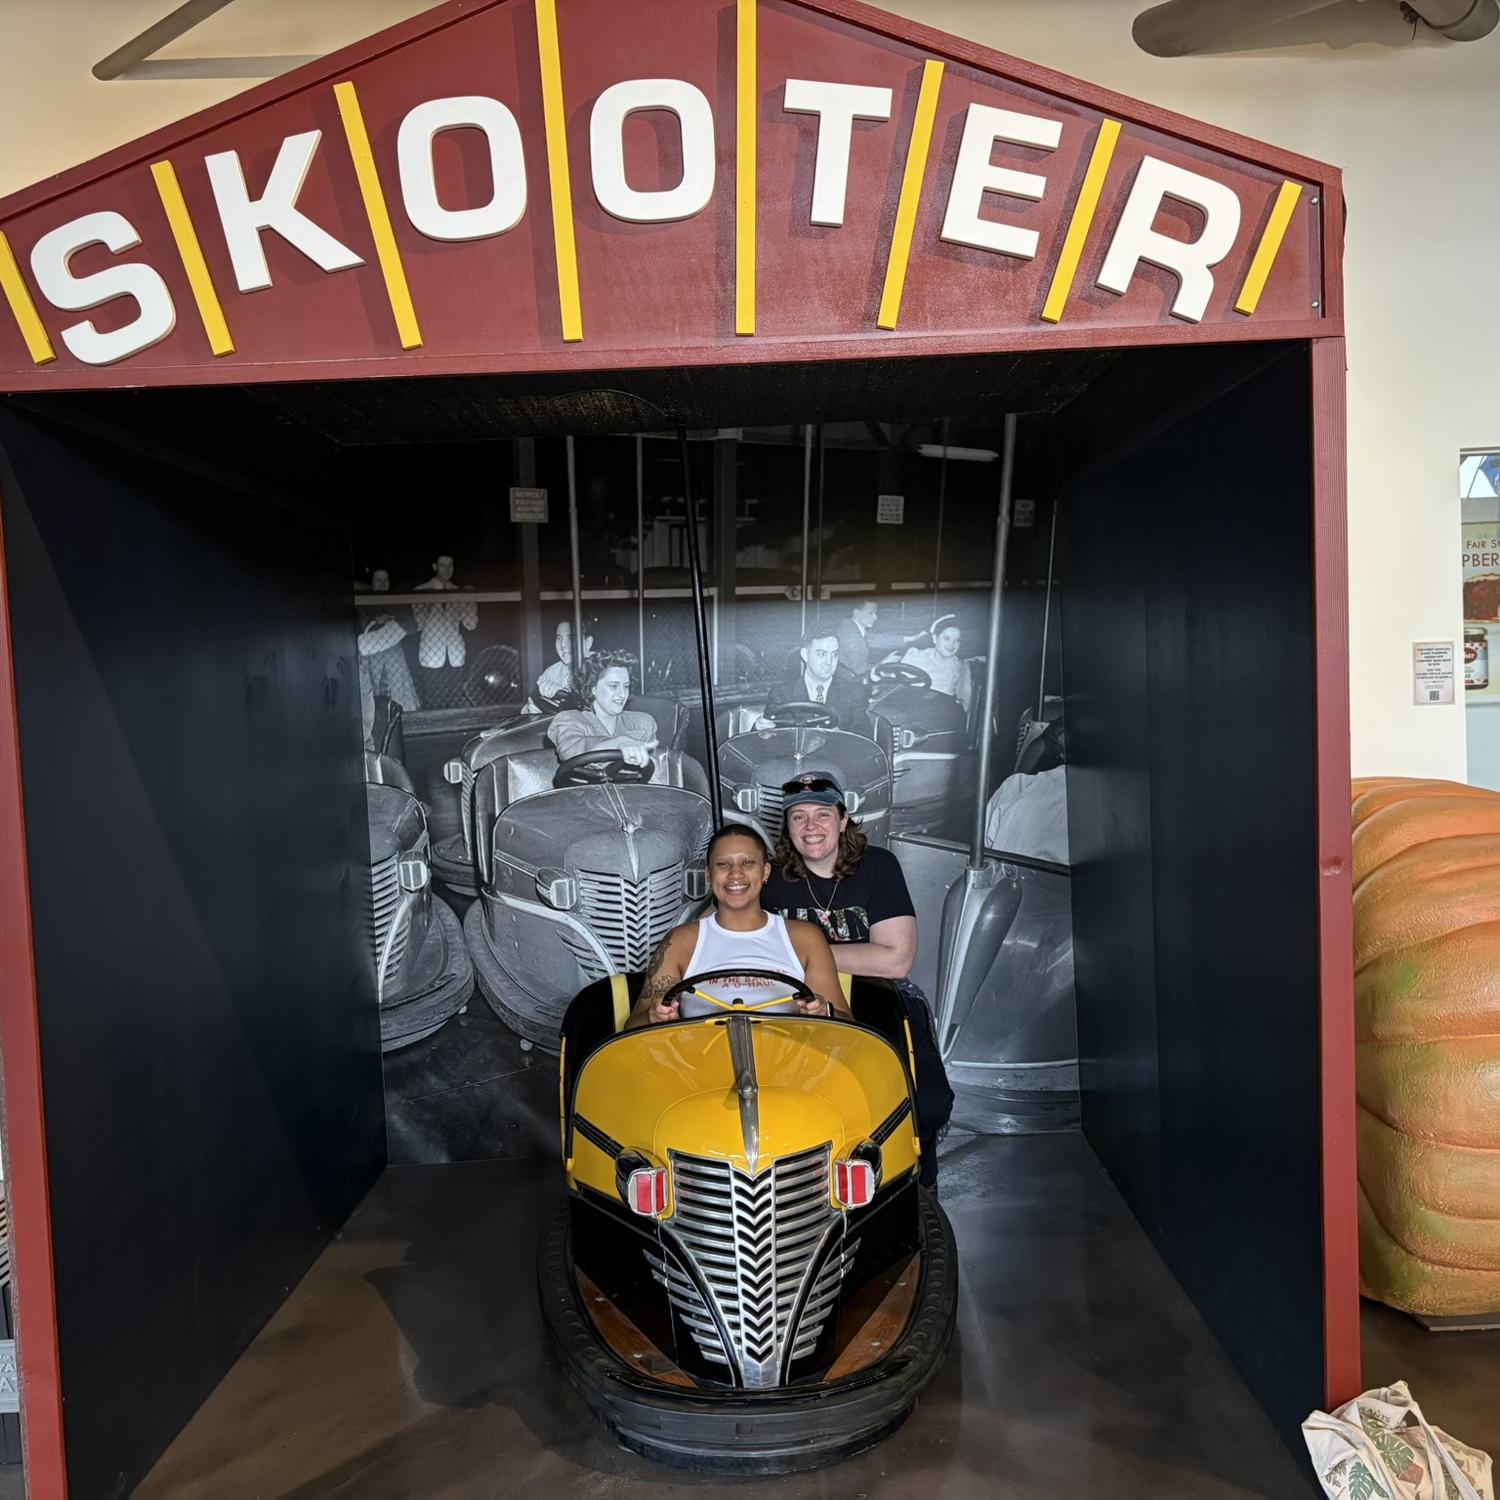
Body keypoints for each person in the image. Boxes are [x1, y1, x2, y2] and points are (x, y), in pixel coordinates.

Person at [761, 770, 954, 1186]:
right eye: (798, 817)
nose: (811, 826)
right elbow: (724, 935)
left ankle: (918, 1190)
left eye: (822, 814)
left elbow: (896, 960)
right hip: (797, 1010)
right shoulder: (768, 876)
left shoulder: (877, 866)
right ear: (787, 826)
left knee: (927, 1105)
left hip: (877, 1000)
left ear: (843, 819)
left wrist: (805, 955)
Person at [629, 824, 847, 1027]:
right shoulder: (680, 941)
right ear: (709, 874)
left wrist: (824, 1011)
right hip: (702, 1055)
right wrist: (654, 1016)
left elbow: (848, 1024)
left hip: (788, 1054)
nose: (735, 874)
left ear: (765, 872)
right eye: (723, 864)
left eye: (747, 863)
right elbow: (631, 1027)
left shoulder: (805, 938)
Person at [547, 651, 658, 767]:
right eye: (613, 686)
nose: (622, 694)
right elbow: (571, 749)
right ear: (593, 688)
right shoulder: (569, 720)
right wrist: (619, 743)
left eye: (626, 686)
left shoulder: (643, 723)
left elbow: (656, 771)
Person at [356, 567, 419, 748]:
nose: (382, 584)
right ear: (372, 583)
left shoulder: (396, 601)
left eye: (386, 580)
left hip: (393, 653)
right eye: (378, 580)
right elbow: (362, 632)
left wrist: (391, 621)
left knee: (398, 685)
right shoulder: (363, 603)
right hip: (372, 655)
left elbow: (410, 625)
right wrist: (377, 623)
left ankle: (403, 721)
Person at [759, 631, 869, 733]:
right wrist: (761, 728)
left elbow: (865, 739)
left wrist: (842, 738)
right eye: (821, 654)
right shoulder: (782, 694)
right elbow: (763, 740)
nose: (829, 662)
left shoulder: (854, 693)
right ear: (805, 655)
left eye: (834, 654)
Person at [412, 554, 478, 702]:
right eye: (443, 565)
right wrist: (428, 602)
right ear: (435, 566)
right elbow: (418, 624)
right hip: (431, 656)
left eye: (450, 565)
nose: (447, 569)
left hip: (455, 657)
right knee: (434, 702)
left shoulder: (459, 591)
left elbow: (471, 625)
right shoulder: (420, 590)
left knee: (455, 701)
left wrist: (471, 600)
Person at [900, 614, 973, 714]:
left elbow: (964, 701)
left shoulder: (960, 667)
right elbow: (896, 683)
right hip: (907, 710)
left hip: (939, 715)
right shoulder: (915, 655)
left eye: (957, 641)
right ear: (935, 638)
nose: (951, 645)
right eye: (946, 638)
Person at [836, 598, 925, 680]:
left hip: (849, 676)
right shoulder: (852, 638)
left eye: (875, 613)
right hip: (852, 683)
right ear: (857, 613)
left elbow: (875, 639)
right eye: (871, 613)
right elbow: (860, 675)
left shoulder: (848, 625)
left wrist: (909, 638)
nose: (876, 617)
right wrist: (883, 663)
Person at [532, 619, 592, 709]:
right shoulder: (552, 672)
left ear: (588, 642)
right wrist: (535, 707)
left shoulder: (602, 671)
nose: (563, 644)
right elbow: (530, 706)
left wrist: (567, 698)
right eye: (559, 638)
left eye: (571, 637)